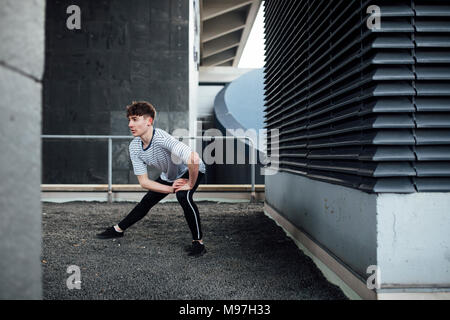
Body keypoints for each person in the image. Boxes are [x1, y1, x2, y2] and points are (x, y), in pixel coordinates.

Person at [96, 101, 207, 257]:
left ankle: (199, 243)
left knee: (184, 196)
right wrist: (170, 189)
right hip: (170, 175)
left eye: (134, 119)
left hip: (191, 170)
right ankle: (118, 230)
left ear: (149, 121)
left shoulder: (161, 138)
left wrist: (189, 184)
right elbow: (144, 182)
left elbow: (194, 159)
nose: (130, 124)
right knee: (147, 200)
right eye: (129, 120)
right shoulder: (135, 146)